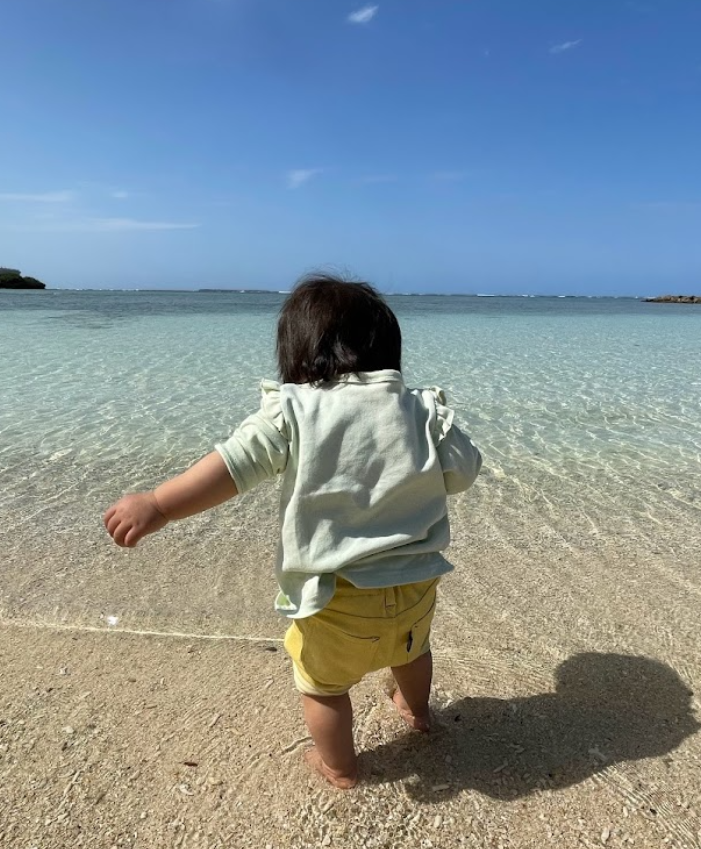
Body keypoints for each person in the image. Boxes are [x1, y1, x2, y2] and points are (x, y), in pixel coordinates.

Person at [103, 273, 483, 789]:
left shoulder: (293, 410)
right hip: (416, 582)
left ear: (299, 354)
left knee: (324, 688)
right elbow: (463, 472)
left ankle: (341, 769)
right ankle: (417, 714)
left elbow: (232, 467)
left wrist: (158, 504)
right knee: (412, 651)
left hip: (336, 598)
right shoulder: (420, 409)